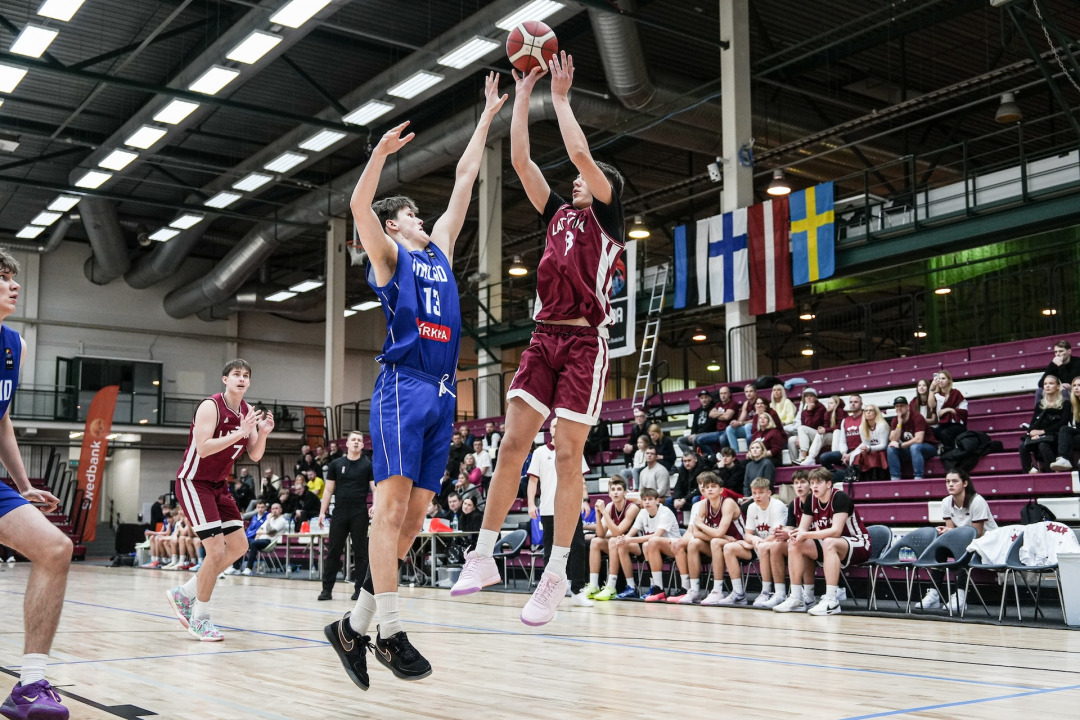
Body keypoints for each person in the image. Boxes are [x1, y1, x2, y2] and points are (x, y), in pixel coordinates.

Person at [324, 72, 506, 689]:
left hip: (444, 391)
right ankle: (390, 631)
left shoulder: (441, 251)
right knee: (391, 509)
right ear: (395, 225)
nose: (423, 217)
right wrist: (378, 155)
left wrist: (486, 117)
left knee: (414, 520)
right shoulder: (390, 257)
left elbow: (465, 179)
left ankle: (353, 626)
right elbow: (359, 208)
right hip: (403, 386)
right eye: (412, 213)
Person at [451, 55, 627, 628]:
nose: (576, 180)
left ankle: (556, 573)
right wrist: (525, 94)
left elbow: (580, 154)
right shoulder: (556, 215)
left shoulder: (607, 220)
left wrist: (563, 97)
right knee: (511, 445)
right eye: (576, 179)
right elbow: (522, 162)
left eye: (587, 178)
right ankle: (483, 555)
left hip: (584, 344)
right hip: (542, 338)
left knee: (568, 454)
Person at [0, 251, 73, 720]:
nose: (14, 284)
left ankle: (29, 685)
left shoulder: (15, 344)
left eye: (14, 277)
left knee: (55, 548)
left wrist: (22, 484)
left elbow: (1, 418)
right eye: (2, 277)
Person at [166, 359, 273, 642]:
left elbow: (255, 454)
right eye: (236, 374)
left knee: (239, 545)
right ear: (225, 379)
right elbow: (203, 448)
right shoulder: (210, 406)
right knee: (214, 551)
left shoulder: (247, 411)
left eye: (246, 375)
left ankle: (185, 592)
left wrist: (262, 433)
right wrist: (240, 432)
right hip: (194, 482)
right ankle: (199, 618)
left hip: (219, 485)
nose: (242, 379)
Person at [774, 468, 872, 615]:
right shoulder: (811, 499)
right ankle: (796, 598)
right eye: (812, 483)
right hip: (832, 542)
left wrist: (805, 534)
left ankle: (831, 600)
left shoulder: (840, 497)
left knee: (829, 542)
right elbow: (802, 529)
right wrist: (794, 534)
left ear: (829, 484)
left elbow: (836, 531)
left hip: (859, 543)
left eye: (818, 483)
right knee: (795, 543)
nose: (814, 486)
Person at [526, 417, 593, 607]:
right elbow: (533, 481)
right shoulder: (539, 452)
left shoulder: (575, 449)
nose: (558, 428)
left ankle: (578, 590)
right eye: (555, 425)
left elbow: (580, 479)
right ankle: (549, 592)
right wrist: (531, 504)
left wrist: (585, 499)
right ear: (550, 429)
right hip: (548, 509)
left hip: (571, 508)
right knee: (550, 551)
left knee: (578, 546)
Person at [917, 469, 998, 612]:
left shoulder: (977, 501)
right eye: (947, 481)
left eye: (955, 481)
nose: (950, 484)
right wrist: (947, 532)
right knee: (940, 548)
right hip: (965, 541)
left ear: (965, 483)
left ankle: (960, 596)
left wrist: (952, 532)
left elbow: (977, 533)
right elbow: (952, 534)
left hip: (987, 542)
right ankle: (934, 594)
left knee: (965, 548)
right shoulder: (946, 502)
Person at [318, 431, 374, 602]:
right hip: (340, 512)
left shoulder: (368, 465)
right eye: (353, 440)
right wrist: (322, 512)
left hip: (359, 512)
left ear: (362, 445)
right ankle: (326, 590)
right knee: (333, 551)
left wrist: (375, 505)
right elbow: (328, 490)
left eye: (359, 440)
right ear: (347, 444)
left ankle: (359, 590)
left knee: (361, 552)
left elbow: (375, 489)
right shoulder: (336, 464)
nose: (356, 442)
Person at [715, 476, 788, 606]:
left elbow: (776, 535)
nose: (757, 496)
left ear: (769, 493)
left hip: (775, 546)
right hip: (758, 545)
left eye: (761, 492)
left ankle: (766, 592)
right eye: (754, 493)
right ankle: (738, 593)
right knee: (729, 548)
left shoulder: (778, 506)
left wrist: (753, 543)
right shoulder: (752, 507)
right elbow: (748, 534)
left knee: (763, 547)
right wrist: (753, 539)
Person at [757, 469, 816, 609]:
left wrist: (789, 533)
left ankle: (808, 595)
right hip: (804, 540)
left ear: (810, 485)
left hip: (816, 541)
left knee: (799, 544)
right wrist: (781, 531)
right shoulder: (794, 504)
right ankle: (780, 593)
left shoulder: (815, 500)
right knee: (776, 546)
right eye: (796, 483)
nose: (799, 486)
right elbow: (790, 528)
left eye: (803, 482)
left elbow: (808, 532)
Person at [614, 487, 680, 600]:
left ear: (657, 501)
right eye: (644, 500)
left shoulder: (665, 512)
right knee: (627, 545)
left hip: (673, 548)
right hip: (653, 549)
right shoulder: (643, 513)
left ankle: (658, 588)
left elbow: (656, 535)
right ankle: (634, 587)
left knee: (650, 543)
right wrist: (623, 539)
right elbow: (630, 533)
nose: (647, 502)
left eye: (650, 499)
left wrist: (630, 540)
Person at [583, 476, 641, 600]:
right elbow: (601, 534)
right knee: (596, 541)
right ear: (609, 493)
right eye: (613, 489)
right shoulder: (610, 507)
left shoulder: (632, 508)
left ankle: (611, 586)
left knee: (614, 540)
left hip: (636, 543)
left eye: (619, 489)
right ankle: (594, 585)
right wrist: (598, 514)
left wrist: (604, 512)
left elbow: (618, 532)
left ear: (625, 493)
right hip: (619, 544)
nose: (615, 492)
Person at [1020, 374, 1069, 474]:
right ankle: (1028, 471)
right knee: (1022, 446)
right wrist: (1032, 432)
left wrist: (1042, 432)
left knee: (1043, 445)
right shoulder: (1040, 404)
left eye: (1051, 383)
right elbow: (1033, 422)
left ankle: (1051, 473)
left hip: (1055, 436)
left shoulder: (1066, 403)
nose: (1047, 386)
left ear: (1058, 386)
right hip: (1039, 436)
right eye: (1045, 384)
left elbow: (1062, 423)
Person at [887, 396, 936, 480]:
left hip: (928, 447)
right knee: (891, 448)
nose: (899, 408)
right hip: (909, 449)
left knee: (915, 447)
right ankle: (895, 478)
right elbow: (893, 440)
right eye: (897, 406)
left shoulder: (917, 417)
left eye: (902, 406)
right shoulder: (896, 420)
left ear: (908, 407)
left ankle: (918, 477)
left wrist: (901, 445)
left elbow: (919, 439)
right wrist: (899, 423)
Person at [237, 502, 288, 575]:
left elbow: (271, 531)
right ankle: (235, 568)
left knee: (254, 544)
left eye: (276, 508)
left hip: (269, 542)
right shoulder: (270, 519)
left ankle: (249, 568)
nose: (274, 510)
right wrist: (263, 533)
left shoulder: (282, 520)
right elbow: (258, 531)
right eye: (273, 509)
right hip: (259, 540)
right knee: (242, 542)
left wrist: (268, 521)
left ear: (280, 510)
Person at [818, 394, 863, 472]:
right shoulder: (845, 420)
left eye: (856, 402)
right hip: (847, 451)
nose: (853, 404)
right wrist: (844, 453)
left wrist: (851, 454)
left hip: (861, 452)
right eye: (851, 402)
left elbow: (867, 441)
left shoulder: (865, 418)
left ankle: (846, 473)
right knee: (824, 457)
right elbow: (842, 441)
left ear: (861, 404)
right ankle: (836, 474)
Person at [929, 370, 968, 450]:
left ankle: (950, 452)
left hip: (956, 424)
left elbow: (964, 412)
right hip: (943, 424)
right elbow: (931, 405)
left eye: (943, 378)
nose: (940, 381)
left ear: (949, 380)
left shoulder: (956, 393)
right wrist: (932, 388)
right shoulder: (937, 395)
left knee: (945, 433)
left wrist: (949, 409)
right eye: (939, 379)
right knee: (929, 431)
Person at [789, 387, 827, 465]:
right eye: (806, 396)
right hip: (808, 434)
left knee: (802, 429)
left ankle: (803, 456)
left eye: (811, 396)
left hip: (819, 434)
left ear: (816, 398)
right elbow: (804, 424)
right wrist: (799, 437)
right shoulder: (804, 411)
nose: (808, 398)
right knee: (791, 440)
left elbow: (813, 425)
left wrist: (809, 411)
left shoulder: (821, 408)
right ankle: (795, 463)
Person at [697, 385, 737, 453]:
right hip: (718, 432)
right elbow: (711, 414)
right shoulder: (718, 404)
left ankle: (725, 455)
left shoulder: (732, 403)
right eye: (721, 393)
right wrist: (723, 413)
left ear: (729, 394)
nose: (723, 395)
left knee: (722, 439)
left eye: (725, 393)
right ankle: (712, 456)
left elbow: (727, 417)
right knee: (700, 439)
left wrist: (717, 414)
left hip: (728, 431)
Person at [853, 404, 889, 479]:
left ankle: (879, 478)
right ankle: (863, 478)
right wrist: (865, 450)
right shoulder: (861, 427)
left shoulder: (882, 425)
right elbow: (866, 444)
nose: (868, 412)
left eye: (871, 410)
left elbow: (884, 445)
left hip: (883, 451)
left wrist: (869, 448)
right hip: (870, 449)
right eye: (866, 411)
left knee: (877, 454)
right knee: (860, 455)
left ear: (876, 413)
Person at [1051, 377, 1080, 471]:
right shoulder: (1073, 405)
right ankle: (1063, 459)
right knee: (1064, 430)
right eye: (1074, 385)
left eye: (1079, 385)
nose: (1076, 388)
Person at [679, 390, 717, 455]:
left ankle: (696, 456)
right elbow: (694, 425)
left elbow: (709, 426)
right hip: (697, 434)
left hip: (708, 433)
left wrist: (696, 434)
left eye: (706, 397)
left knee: (695, 438)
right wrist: (692, 434)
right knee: (680, 440)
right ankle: (691, 455)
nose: (704, 400)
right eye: (702, 398)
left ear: (710, 398)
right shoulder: (697, 411)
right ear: (699, 399)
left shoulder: (713, 409)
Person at [725, 383, 759, 451]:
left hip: (758, 427)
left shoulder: (759, 402)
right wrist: (736, 422)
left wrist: (741, 423)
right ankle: (735, 453)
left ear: (755, 392)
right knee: (729, 428)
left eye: (751, 391)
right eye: (746, 392)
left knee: (748, 426)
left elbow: (756, 419)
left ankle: (750, 451)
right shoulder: (746, 403)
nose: (748, 394)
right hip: (749, 428)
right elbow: (741, 419)